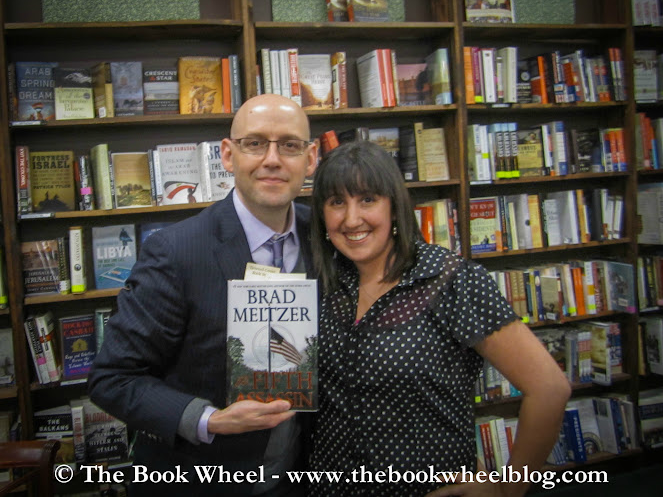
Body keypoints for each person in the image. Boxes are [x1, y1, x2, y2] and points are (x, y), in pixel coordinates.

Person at [308, 141, 571, 496]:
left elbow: (550, 389)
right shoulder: (326, 283)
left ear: (394, 207)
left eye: (368, 199)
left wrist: (508, 489)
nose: (352, 219)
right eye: (337, 202)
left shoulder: (450, 280)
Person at [88, 94, 318, 497]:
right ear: (228, 155)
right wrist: (209, 420)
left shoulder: (327, 237)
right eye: (254, 143)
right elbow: (113, 379)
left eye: (290, 145)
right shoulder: (175, 251)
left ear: (311, 158)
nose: (272, 159)